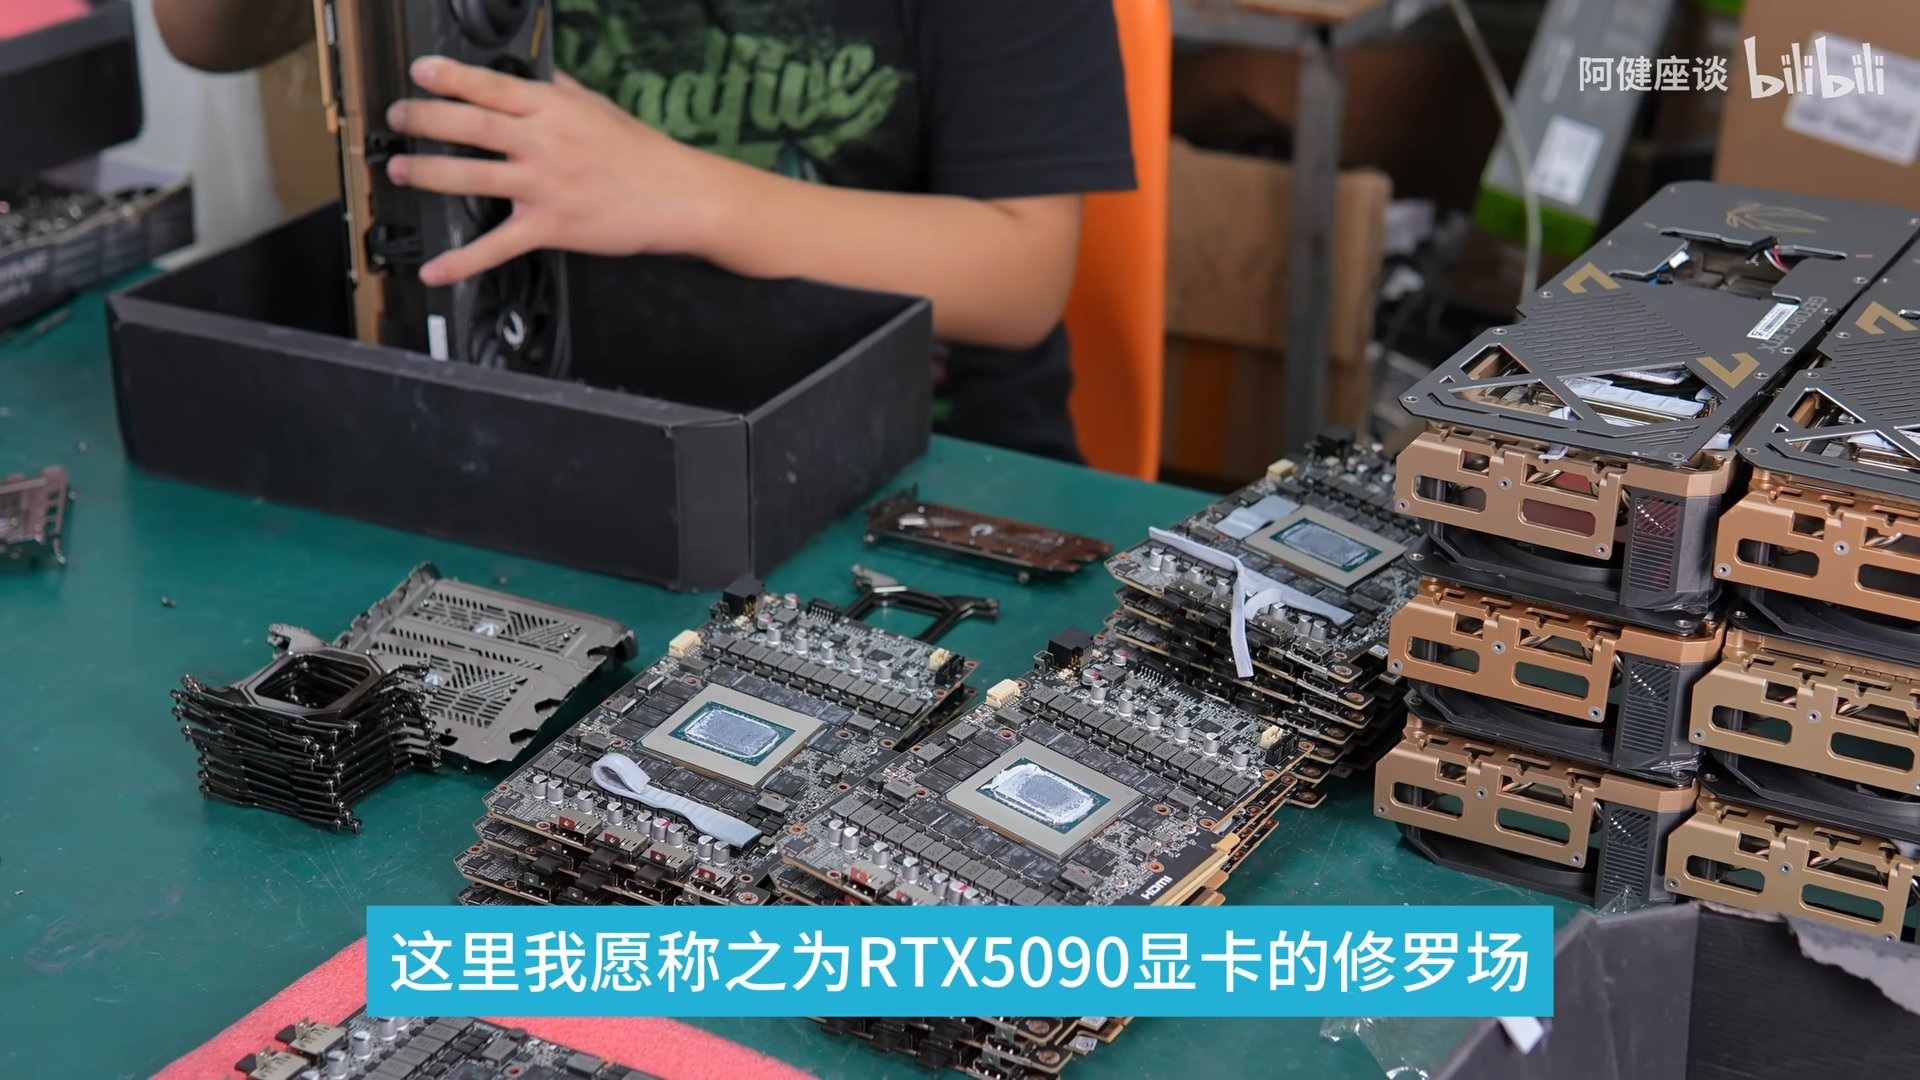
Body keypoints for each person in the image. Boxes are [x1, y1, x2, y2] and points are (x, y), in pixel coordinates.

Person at [152, 0, 1137, 463]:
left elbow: (1021, 274)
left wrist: (686, 197)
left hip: (919, 461)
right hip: (572, 442)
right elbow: (204, 33)